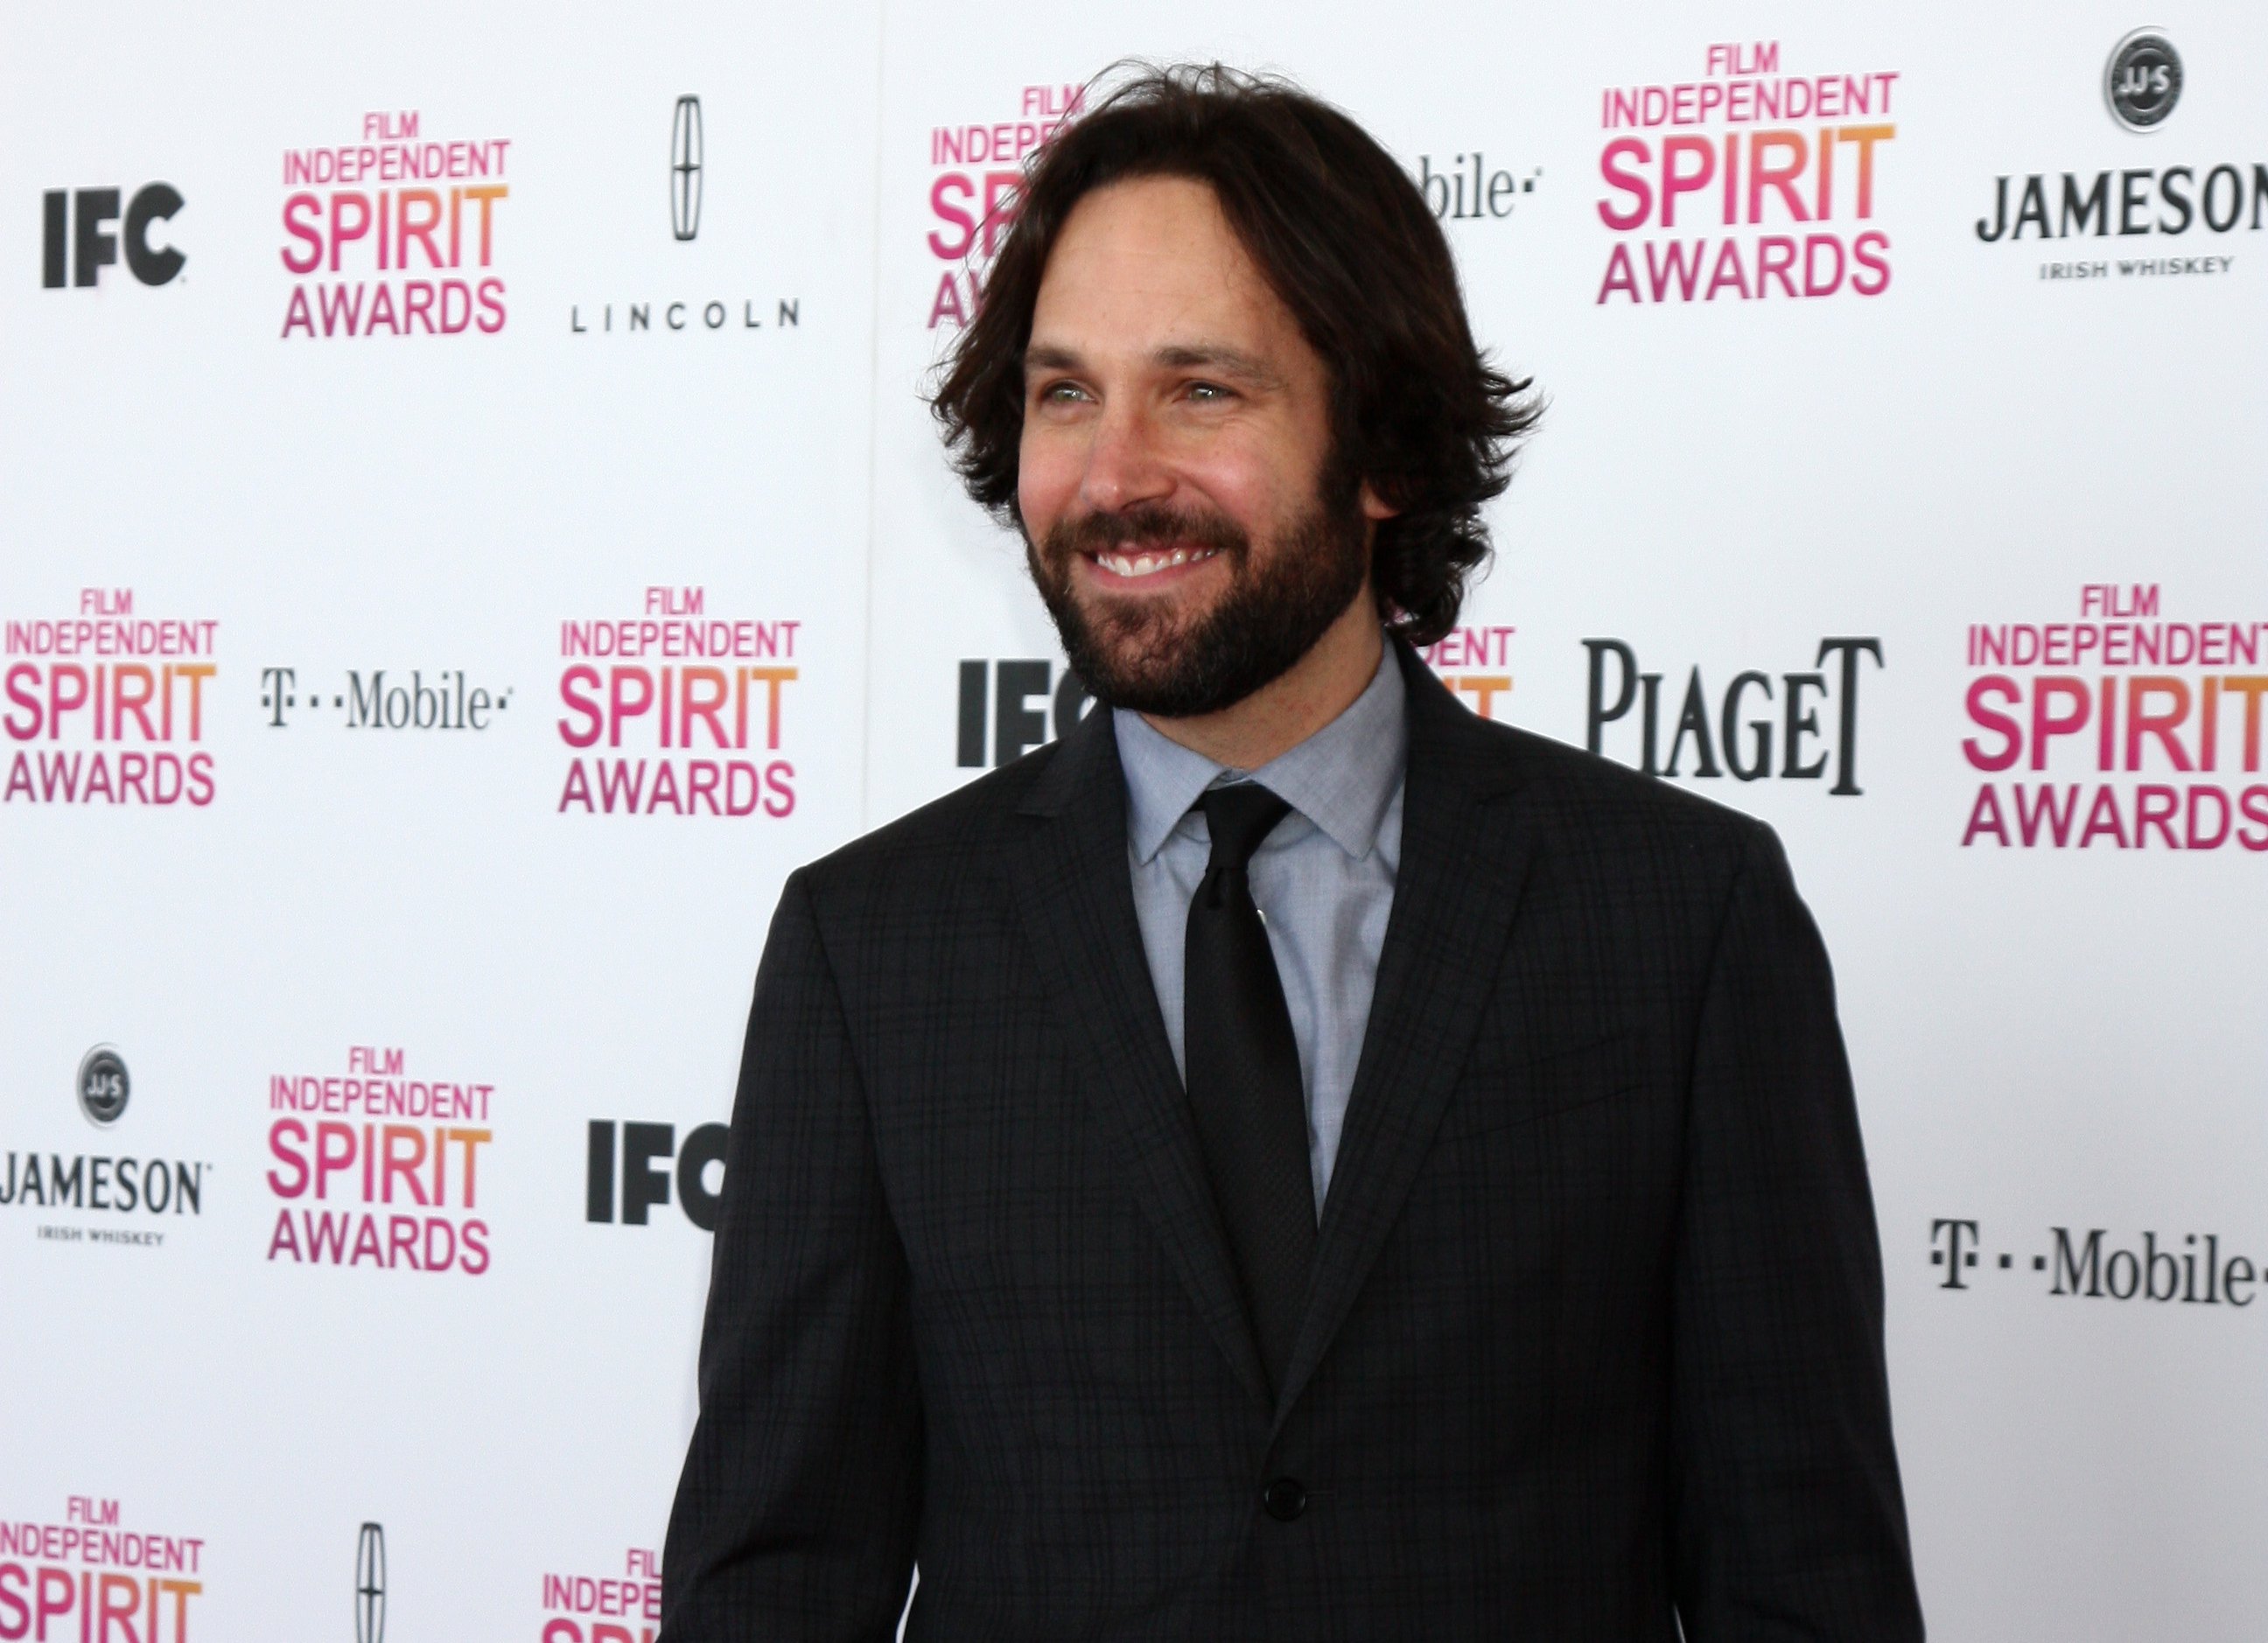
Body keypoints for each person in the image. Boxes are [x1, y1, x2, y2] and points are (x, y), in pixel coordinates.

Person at [661, 65, 1923, 1640]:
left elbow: (1801, 1574)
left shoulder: (1681, 917)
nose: (1114, 473)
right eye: (1065, 393)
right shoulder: (874, 947)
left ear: (1382, 448)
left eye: (1202, 388)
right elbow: (775, 1577)